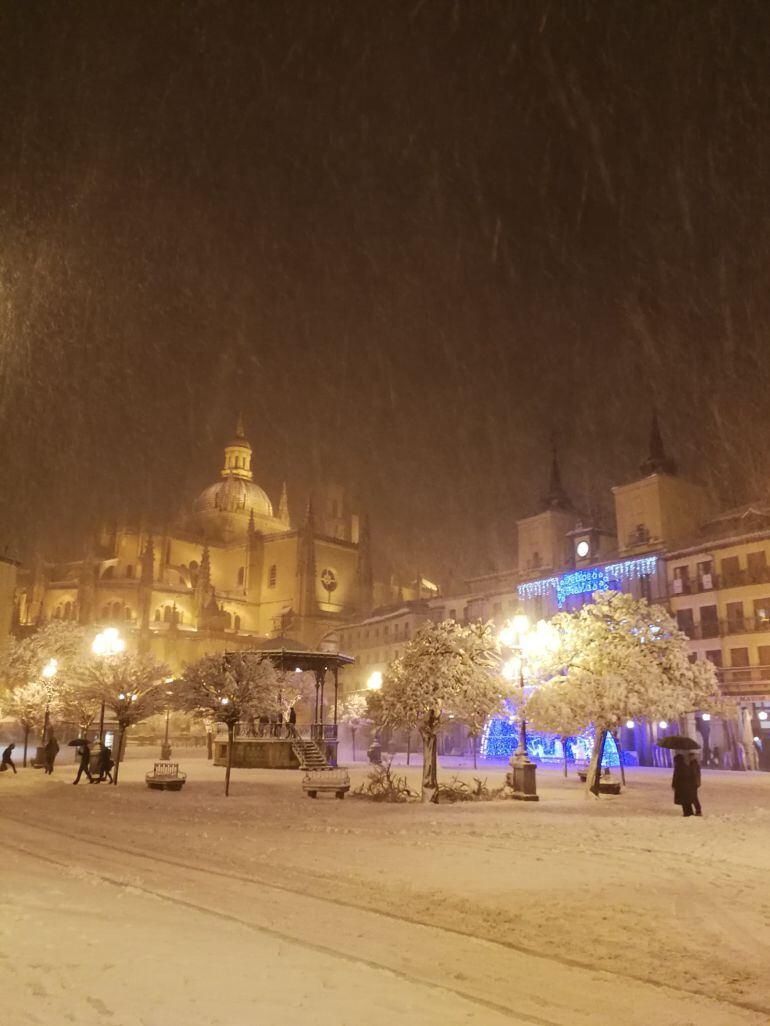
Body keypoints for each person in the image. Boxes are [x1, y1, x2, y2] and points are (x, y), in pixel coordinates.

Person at [672, 752, 695, 816]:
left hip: (681, 787)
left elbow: (676, 777)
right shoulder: (685, 766)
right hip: (687, 786)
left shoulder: (678, 767)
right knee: (687, 801)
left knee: (683, 801)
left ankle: (686, 813)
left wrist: (674, 785)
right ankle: (690, 812)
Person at [688, 751, 703, 816]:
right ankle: (698, 810)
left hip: (693, 783)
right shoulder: (695, 763)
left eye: (690, 757)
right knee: (694, 797)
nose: (689, 758)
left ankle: (698, 810)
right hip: (695, 782)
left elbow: (693, 773)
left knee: (694, 797)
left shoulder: (693, 764)